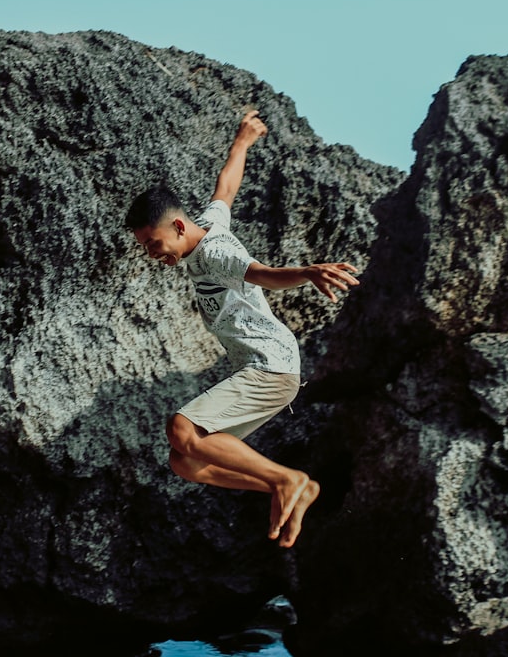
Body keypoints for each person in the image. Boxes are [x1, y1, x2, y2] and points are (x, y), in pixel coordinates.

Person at [124, 109, 359, 548]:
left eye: (154, 245)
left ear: (177, 227)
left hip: (270, 367)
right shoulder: (209, 226)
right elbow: (226, 189)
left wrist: (307, 272)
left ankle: (288, 479)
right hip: (265, 368)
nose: (153, 255)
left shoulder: (214, 252)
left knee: (181, 428)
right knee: (185, 461)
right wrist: (242, 141)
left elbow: (262, 274)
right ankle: (283, 487)